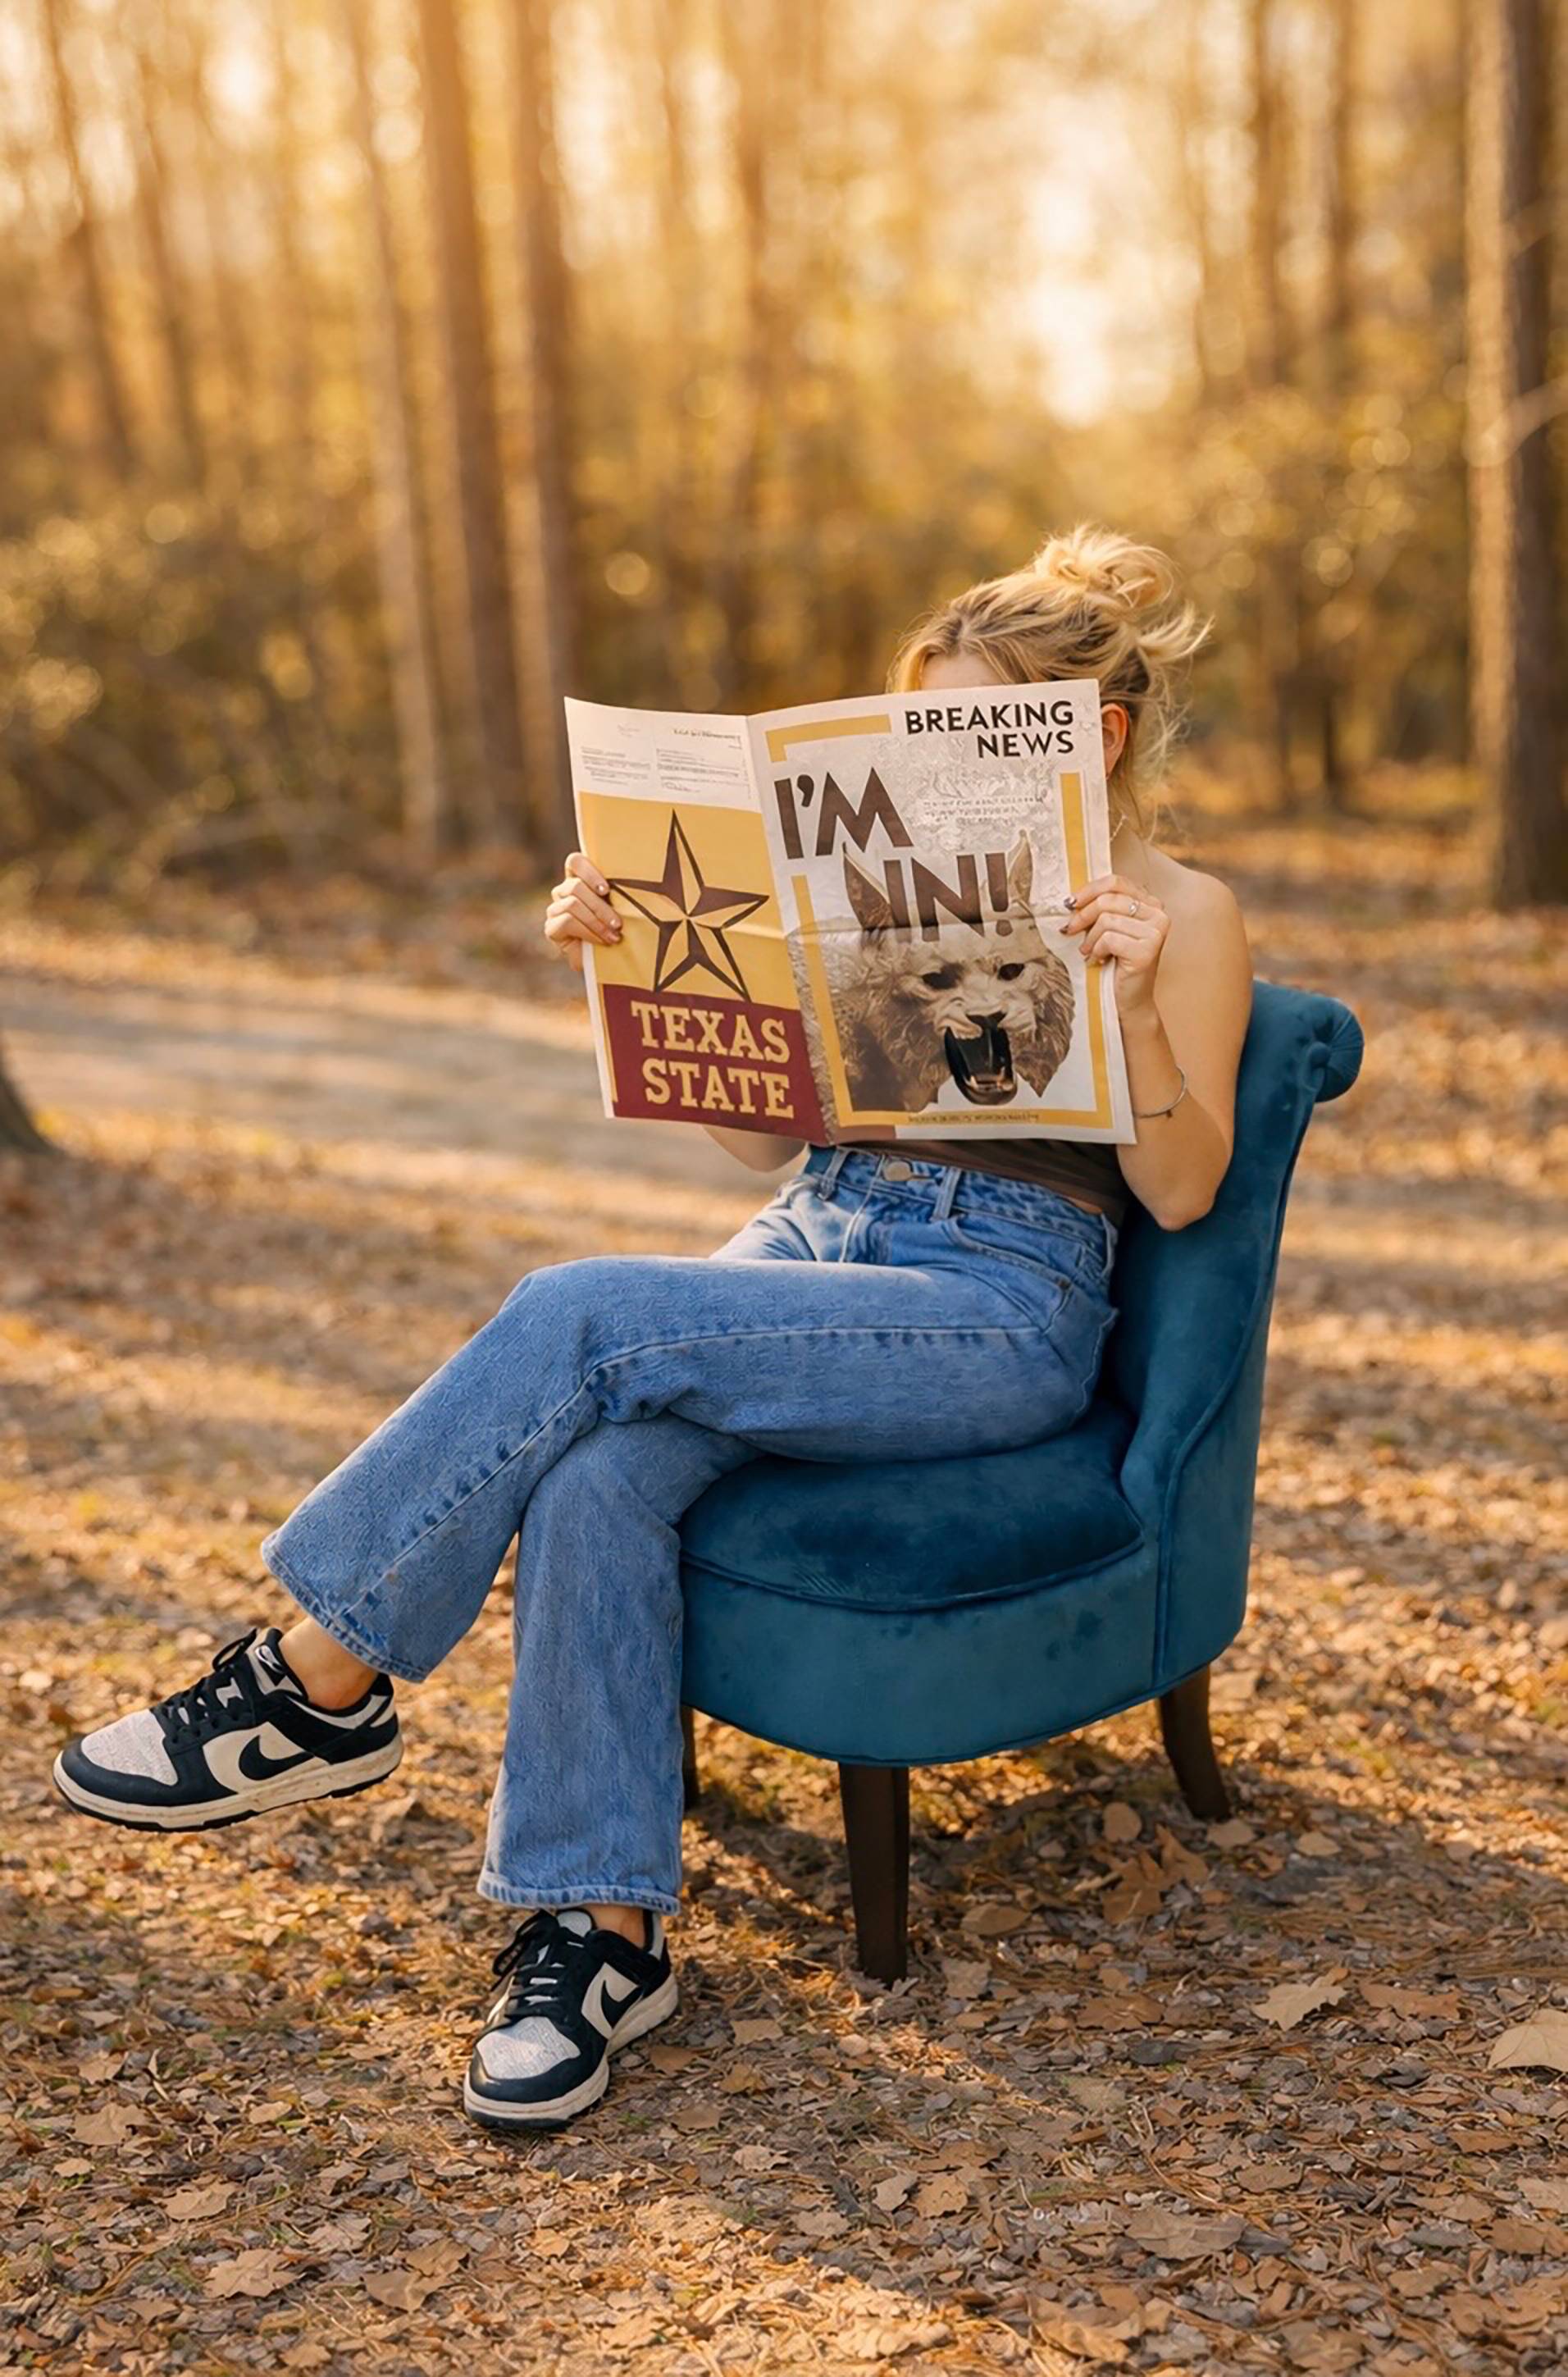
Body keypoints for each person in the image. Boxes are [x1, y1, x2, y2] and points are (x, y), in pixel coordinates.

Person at [52, 526, 1252, 2132]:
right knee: (597, 1474)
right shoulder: (884, 882)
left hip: (996, 1300)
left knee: (578, 1311)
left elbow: (1179, 1196)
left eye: (964, 732)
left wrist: (1117, 1006)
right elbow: (760, 1150)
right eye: (911, 733)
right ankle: (598, 1934)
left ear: (1082, 738)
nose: (927, 764)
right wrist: (638, 972)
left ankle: (311, 1680)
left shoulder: (1181, 909)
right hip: (814, 1229)